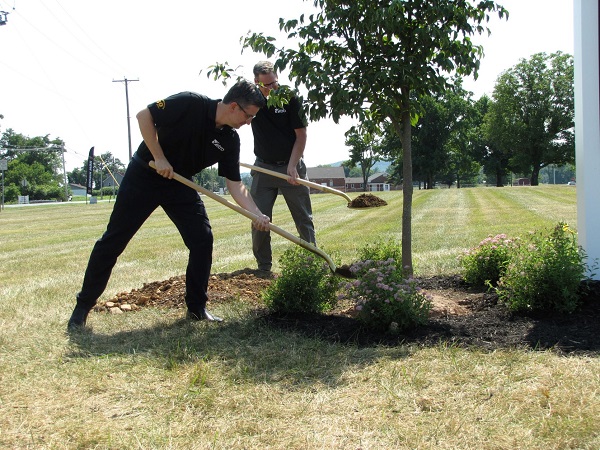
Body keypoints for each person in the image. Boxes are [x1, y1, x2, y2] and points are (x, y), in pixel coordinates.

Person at [68, 80, 270, 330]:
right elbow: (144, 116)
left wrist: (257, 214)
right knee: (114, 241)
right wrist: (160, 157)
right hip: (145, 173)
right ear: (233, 106)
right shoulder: (190, 103)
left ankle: (197, 308)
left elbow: (235, 185)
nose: (249, 122)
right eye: (249, 116)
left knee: (202, 239)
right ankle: (82, 307)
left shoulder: (230, 139)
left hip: (181, 183)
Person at [250, 61, 316, 272]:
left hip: (291, 169)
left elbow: (301, 135)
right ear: (256, 82)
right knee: (258, 219)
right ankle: (264, 267)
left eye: (274, 83)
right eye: (266, 85)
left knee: (304, 218)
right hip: (263, 168)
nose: (272, 88)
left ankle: (310, 265)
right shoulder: (251, 101)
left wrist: (292, 165)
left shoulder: (291, 98)